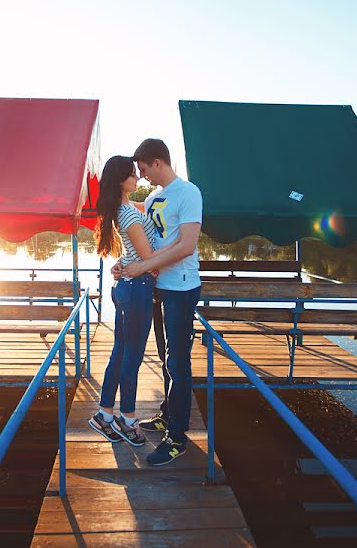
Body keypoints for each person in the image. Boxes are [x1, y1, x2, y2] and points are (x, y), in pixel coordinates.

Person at [120, 138, 202, 466]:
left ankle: (177, 437)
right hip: (157, 286)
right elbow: (146, 243)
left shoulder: (188, 192)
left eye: (143, 169)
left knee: (178, 361)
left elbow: (187, 245)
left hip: (181, 288)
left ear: (157, 162)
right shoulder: (154, 197)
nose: (142, 176)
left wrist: (145, 266)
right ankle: (168, 415)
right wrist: (128, 263)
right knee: (164, 356)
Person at [89, 155, 176, 447]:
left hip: (128, 285)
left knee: (121, 352)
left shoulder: (126, 208)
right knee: (133, 357)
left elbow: (136, 253)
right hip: (137, 288)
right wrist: (181, 246)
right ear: (121, 181)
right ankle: (127, 420)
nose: (137, 178)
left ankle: (104, 413)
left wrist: (122, 263)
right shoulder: (126, 214)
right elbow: (149, 257)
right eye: (132, 175)